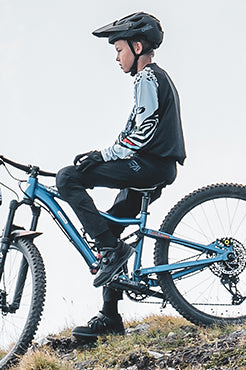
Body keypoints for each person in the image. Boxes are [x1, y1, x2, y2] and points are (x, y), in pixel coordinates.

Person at [63, 11, 185, 339]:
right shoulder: (151, 80)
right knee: (112, 226)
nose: (117, 57)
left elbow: (142, 133)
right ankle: (110, 316)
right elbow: (136, 131)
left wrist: (101, 156)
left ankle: (110, 250)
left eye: (119, 50)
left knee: (67, 178)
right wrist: (104, 154)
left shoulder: (148, 78)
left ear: (137, 45)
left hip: (147, 165)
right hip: (152, 167)